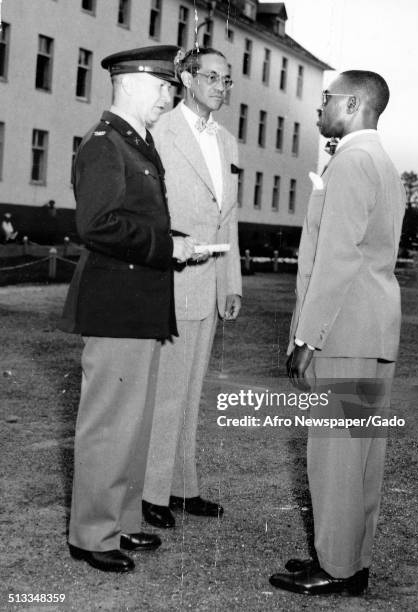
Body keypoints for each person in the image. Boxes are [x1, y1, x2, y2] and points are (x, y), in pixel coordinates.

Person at [59, 45, 196, 573]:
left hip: (139, 305)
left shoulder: (135, 143)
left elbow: (134, 220)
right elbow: (97, 226)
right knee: (109, 425)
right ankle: (91, 535)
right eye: (165, 86)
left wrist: (175, 240)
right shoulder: (104, 145)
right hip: (116, 305)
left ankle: (122, 521)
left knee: (133, 425)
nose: (170, 97)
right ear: (134, 82)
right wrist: (168, 248)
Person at [269, 71, 406, 596]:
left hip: (343, 331)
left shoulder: (351, 161)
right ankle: (352, 559)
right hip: (372, 329)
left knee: (335, 455)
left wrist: (308, 338)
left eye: (327, 98)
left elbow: (336, 260)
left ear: (351, 104)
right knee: (361, 455)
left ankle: (336, 567)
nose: (319, 107)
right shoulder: (383, 162)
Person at [142, 47, 242, 529]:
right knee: (166, 393)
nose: (221, 87)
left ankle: (183, 486)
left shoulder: (227, 141)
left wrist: (231, 283)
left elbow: (229, 219)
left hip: (209, 284)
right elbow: (148, 208)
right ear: (185, 77)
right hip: (173, 278)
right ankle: (151, 493)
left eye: (227, 80)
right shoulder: (160, 131)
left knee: (192, 392)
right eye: (212, 77)